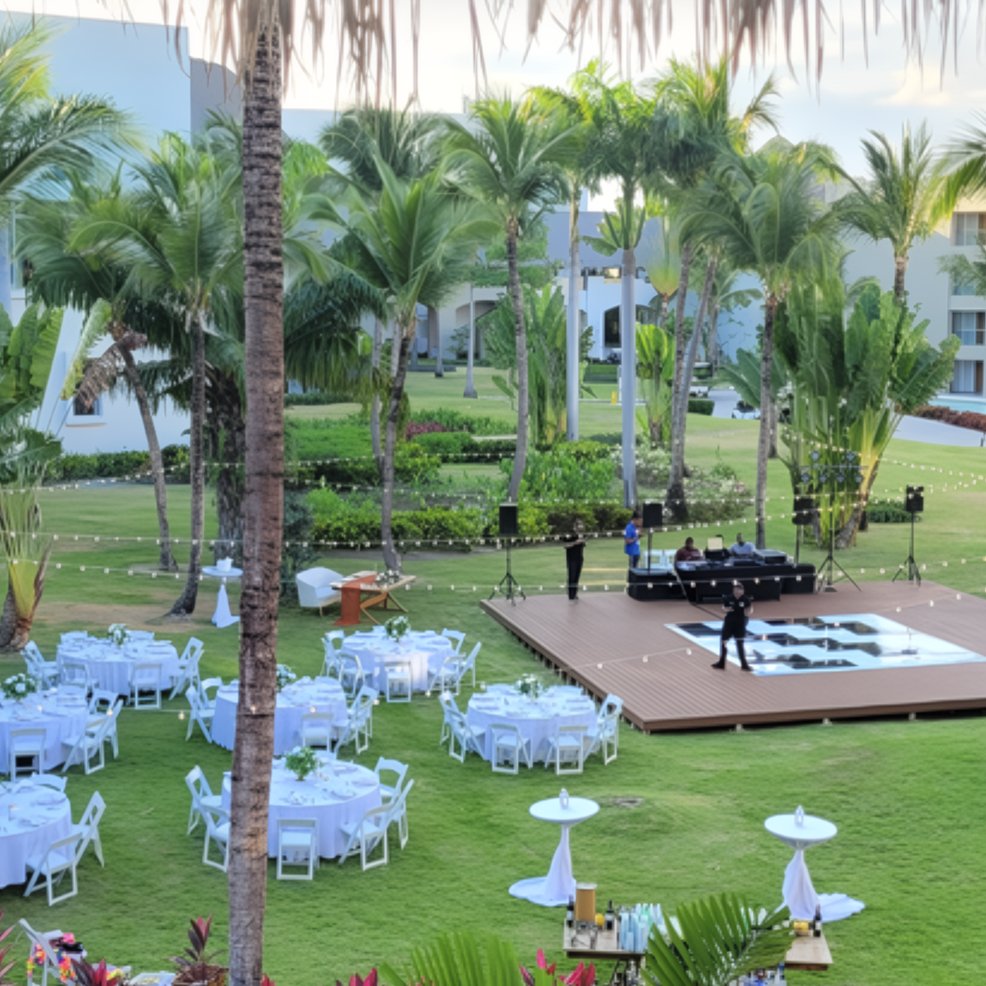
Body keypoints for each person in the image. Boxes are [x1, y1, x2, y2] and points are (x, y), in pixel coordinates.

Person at [712, 582, 754, 671]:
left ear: (742, 591)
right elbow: (723, 607)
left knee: (740, 644)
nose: (737, 591)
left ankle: (744, 664)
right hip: (729, 624)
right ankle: (721, 663)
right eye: (735, 589)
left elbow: (749, 609)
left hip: (740, 624)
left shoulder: (746, 599)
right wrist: (726, 609)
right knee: (724, 642)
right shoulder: (728, 598)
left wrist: (748, 612)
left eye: (739, 589)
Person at [562, 519, 586, 601]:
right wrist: (575, 543)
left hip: (579, 558)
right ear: (575, 527)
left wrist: (582, 541)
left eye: (581, 525)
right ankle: (570, 594)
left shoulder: (581, 535)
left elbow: (583, 545)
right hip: (571, 559)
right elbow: (565, 546)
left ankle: (575, 593)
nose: (581, 527)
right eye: (579, 525)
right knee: (571, 576)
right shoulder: (569, 535)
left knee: (577, 576)